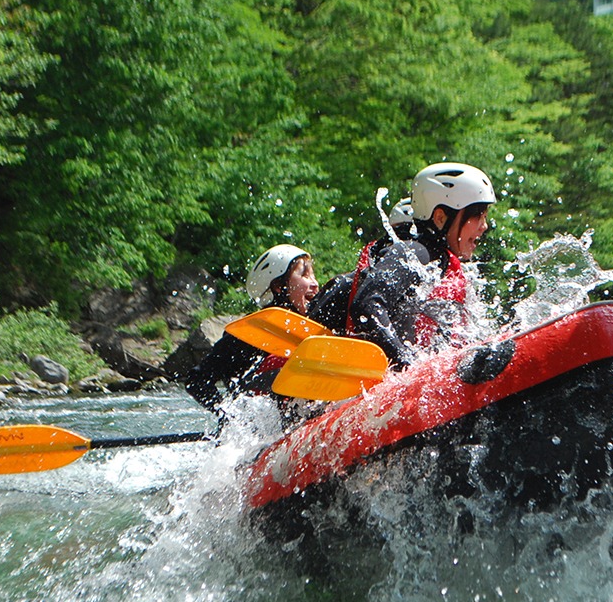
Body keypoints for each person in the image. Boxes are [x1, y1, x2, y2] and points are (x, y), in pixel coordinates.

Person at [310, 162, 496, 367]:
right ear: (441, 217)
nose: (484, 226)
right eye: (477, 215)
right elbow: (367, 304)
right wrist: (408, 365)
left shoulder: (437, 261)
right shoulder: (416, 253)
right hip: (377, 381)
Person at [184, 244, 319, 414]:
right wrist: (227, 414)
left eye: (313, 275)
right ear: (278, 286)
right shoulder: (247, 334)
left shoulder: (313, 326)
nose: (315, 284)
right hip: (259, 429)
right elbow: (196, 380)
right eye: (304, 275)